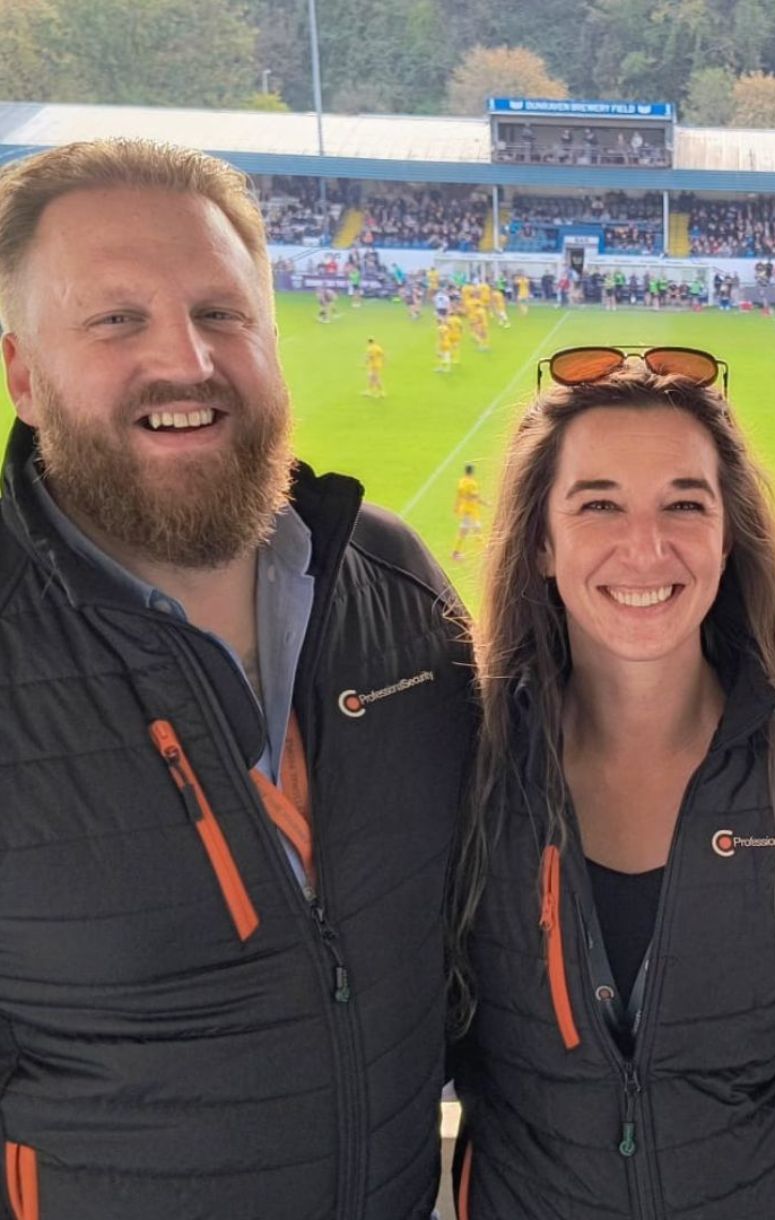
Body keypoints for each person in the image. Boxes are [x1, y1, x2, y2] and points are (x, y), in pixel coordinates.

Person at [0, 138, 474, 1219]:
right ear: (24, 374)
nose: (189, 360)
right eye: (117, 318)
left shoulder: (392, 581)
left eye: (223, 313)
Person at [448, 351, 775, 1219]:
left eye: (684, 503)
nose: (645, 546)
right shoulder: (458, 773)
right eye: (599, 504)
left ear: (727, 535)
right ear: (543, 544)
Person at [450, 462, 486, 560]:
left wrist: (456, 506)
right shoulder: (472, 483)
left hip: (464, 509)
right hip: (471, 511)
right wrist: (485, 503)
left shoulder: (462, 481)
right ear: (472, 472)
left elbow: (459, 495)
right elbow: (474, 496)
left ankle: (455, 552)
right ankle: (485, 553)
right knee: (476, 530)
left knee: (465, 531)